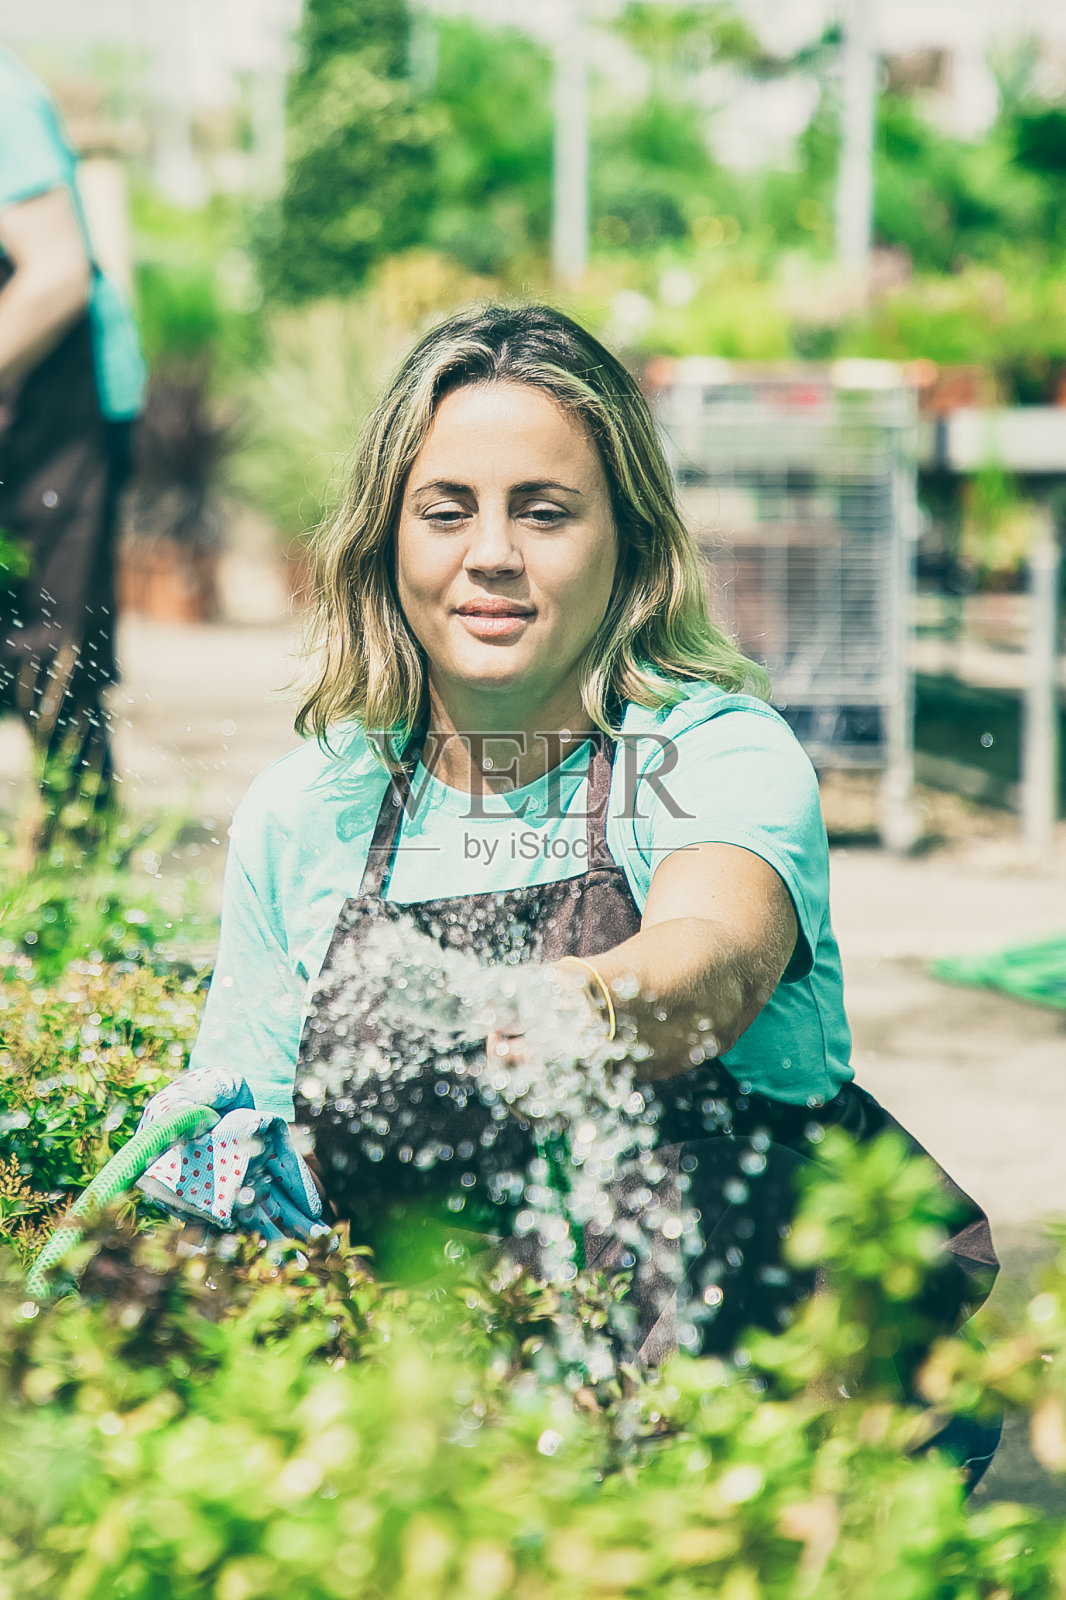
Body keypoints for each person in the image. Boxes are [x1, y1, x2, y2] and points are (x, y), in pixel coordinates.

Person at [180, 303, 998, 1476]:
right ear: (384, 541)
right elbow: (250, 1141)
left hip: (751, 1436)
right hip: (443, 1451)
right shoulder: (309, 809)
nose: (492, 552)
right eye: (446, 510)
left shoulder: (711, 752)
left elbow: (716, 949)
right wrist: (215, 1171)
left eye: (545, 511)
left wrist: (593, 1004)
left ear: (629, 543)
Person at [0, 47, 146, 856]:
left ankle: (77, 858)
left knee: (49, 648)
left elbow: (56, 274)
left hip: (60, 407)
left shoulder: (3, 101)